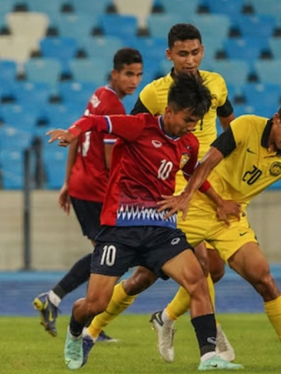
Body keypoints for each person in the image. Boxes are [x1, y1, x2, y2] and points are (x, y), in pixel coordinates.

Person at [47, 73, 244, 371]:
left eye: (196, 121)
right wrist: (73, 132)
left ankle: (209, 357)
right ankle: (76, 331)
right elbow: (95, 122)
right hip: (119, 229)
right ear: (169, 111)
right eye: (188, 119)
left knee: (197, 282)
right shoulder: (138, 125)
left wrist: (215, 202)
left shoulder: (188, 143)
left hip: (160, 229)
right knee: (95, 304)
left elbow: (194, 176)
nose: (191, 127)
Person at [153, 94, 281, 369]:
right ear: (277, 119)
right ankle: (90, 329)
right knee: (145, 275)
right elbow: (206, 163)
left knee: (263, 277)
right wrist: (185, 195)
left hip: (230, 218)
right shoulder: (245, 126)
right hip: (197, 206)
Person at [84, 23, 238, 362]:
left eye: (195, 52)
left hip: (207, 183)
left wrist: (230, 164)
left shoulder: (217, 83)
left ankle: (162, 318)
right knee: (196, 269)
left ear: (203, 51)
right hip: (169, 192)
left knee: (209, 270)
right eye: (182, 53)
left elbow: (231, 124)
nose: (190, 59)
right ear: (169, 54)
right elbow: (134, 134)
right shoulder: (155, 93)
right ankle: (211, 345)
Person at [32, 48, 144, 340]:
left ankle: (63, 306)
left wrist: (69, 181)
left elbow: (77, 135)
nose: (134, 81)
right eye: (129, 74)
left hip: (83, 185)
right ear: (115, 74)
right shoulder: (114, 106)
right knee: (112, 256)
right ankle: (72, 313)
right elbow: (111, 160)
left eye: (139, 75)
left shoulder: (98, 95)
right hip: (97, 191)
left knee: (105, 255)